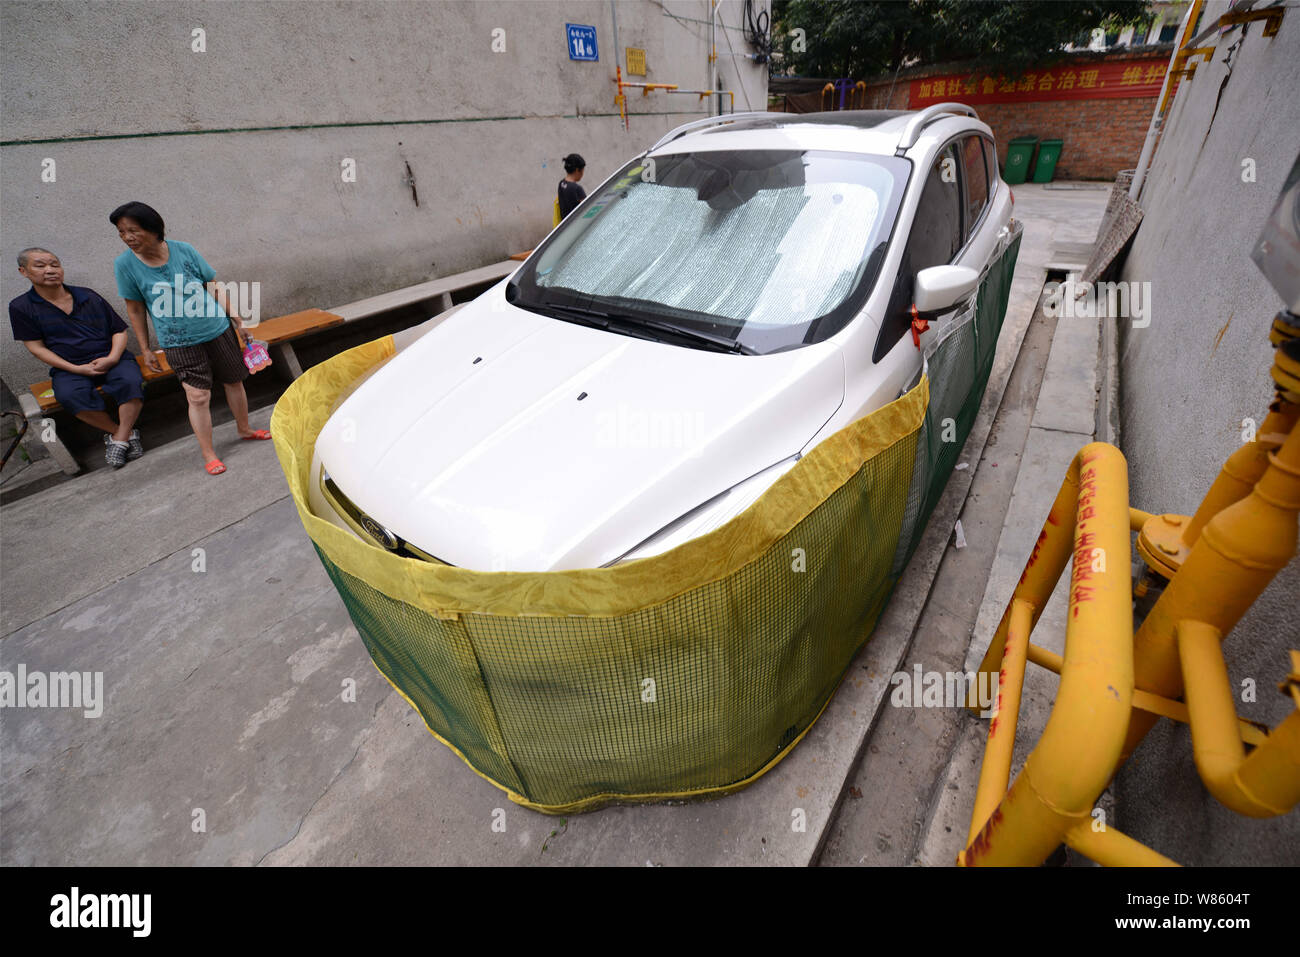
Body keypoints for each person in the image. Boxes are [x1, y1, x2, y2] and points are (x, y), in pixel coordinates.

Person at [109, 201, 269, 475]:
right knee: (197, 397)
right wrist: (146, 348)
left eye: (133, 230)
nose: (128, 238)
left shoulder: (184, 250)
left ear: (153, 228)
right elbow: (135, 308)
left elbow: (212, 285)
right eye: (122, 232)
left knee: (234, 381)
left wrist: (237, 319)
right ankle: (209, 453)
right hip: (177, 341)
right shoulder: (124, 265)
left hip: (217, 329)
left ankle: (244, 428)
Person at [9, 247, 145, 468]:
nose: (50, 270)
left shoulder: (87, 296)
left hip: (111, 358)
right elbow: (36, 348)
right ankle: (124, 434)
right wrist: (76, 368)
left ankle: (118, 440)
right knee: (69, 395)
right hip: (69, 367)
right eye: (40, 265)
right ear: (23, 271)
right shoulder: (21, 307)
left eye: (54, 264)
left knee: (130, 381)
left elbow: (118, 330)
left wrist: (112, 358)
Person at [557, 153, 587, 218]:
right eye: (583, 170)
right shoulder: (577, 188)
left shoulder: (561, 183)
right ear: (577, 170)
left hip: (565, 225)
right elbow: (587, 209)